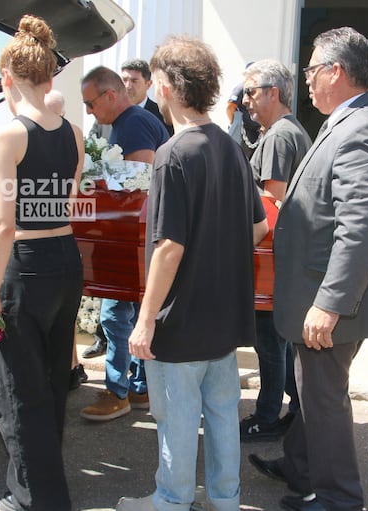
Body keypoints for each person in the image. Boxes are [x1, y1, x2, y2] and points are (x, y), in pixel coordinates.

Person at [248, 27, 368, 511]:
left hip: (329, 301)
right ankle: (300, 468)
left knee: (323, 397)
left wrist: (330, 303)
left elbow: (360, 230)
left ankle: (340, 499)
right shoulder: (347, 122)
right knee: (312, 389)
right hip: (314, 293)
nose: (308, 80)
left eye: (312, 70)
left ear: (335, 72)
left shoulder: (362, 128)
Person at [116, 35, 269, 511]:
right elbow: (259, 227)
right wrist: (214, 254)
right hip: (223, 316)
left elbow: (169, 248)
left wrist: (144, 320)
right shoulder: (229, 146)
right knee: (222, 414)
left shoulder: (173, 154)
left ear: (163, 85)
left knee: (177, 418)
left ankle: (171, 500)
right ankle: (226, 500)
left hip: (180, 321)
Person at [0, 15, 85, 510]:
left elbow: (2, 224)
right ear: (50, 79)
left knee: (17, 389)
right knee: (49, 381)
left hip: (24, 265)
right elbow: (62, 201)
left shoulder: (8, 136)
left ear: (8, 79)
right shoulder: (75, 133)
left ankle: (34, 499)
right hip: (66, 261)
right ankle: (35, 486)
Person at [79, 66, 169, 421]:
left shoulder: (131, 124)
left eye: (90, 103)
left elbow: (139, 184)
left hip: (134, 238)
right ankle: (138, 387)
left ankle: (119, 391)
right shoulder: (131, 121)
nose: (88, 111)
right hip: (141, 238)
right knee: (127, 314)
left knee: (115, 315)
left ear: (110, 96)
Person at [239, 58, 309, 442]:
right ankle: (299, 408)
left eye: (251, 91)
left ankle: (266, 416)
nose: (246, 99)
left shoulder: (280, 136)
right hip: (281, 255)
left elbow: (271, 202)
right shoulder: (283, 130)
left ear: (273, 92)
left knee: (269, 340)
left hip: (270, 255)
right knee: (277, 342)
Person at [44, 88, 89, 391]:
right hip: (64, 232)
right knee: (65, 312)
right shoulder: (73, 137)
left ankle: (63, 368)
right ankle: (70, 367)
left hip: (36, 237)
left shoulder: (23, 137)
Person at [121, 58, 174, 136]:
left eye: (134, 81)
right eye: (124, 80)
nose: (128, 86)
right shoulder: (108, 114)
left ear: (148, 84)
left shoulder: (163, 117)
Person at [226, 64, 263, 159]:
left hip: (257, 131)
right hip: (245, 130)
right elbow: (230, 107)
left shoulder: (260, 88)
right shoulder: (241, 88)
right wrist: (234, 123)